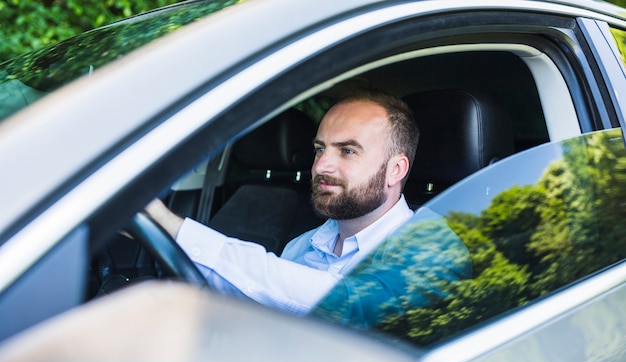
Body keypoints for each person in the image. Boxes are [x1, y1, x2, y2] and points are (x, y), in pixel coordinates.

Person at [146, 89, 471, 328]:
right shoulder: (302, 245)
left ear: (395, 170)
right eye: (319, 149)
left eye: (347, 151)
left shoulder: (435, 250)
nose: (321, 166)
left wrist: (170, 226)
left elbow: (348, 304)